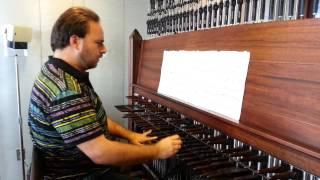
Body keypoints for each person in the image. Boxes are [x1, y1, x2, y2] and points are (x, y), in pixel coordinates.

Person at [28, 6, 182, 179]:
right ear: (75, 42)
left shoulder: (55, 71)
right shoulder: (65, 90)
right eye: (99, 42)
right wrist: (158, 150)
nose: (104, 49)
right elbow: (100, 153)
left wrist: (130, 135)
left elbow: (90, 119)